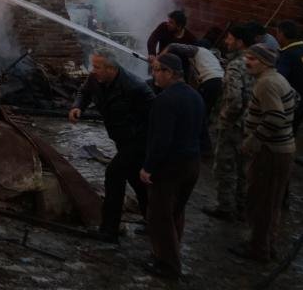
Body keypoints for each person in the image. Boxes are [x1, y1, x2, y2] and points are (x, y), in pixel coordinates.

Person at [69, 46, 156, 241]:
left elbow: (155, 118)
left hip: (137, 141)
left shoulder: (135, 87)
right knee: (136, 179)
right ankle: (153, 221)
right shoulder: (95, 79)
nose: (93, 70)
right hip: (120, 138)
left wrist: (149, 147)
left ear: (111, 69)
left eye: (97, 67)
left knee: (114, 174)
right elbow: (84, 92)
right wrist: (77, 107)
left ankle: (109, 229)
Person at [138, 53, 205, 279]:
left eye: (157, 69)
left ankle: (168, 265)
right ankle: (166, 253)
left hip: (170, 167)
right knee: (176, 211)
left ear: (169, 73)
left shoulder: (164, 100)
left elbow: (161, 139)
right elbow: (203, 133)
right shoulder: (196, 96)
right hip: (192, 164)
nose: (153, 73)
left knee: (159, 215)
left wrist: (148, 167)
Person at [232, 43, 298, 262]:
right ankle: (265, 243)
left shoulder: (267, 83)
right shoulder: (277, 79)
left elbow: (275, 118)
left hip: (271, 153)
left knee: (261, 202)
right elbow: (295, 100)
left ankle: (259, 249)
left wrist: (253, 140)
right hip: (280, 150)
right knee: (270, 202)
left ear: (266, 62)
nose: (247, 62)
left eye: (252, 59)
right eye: (247, 57)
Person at [203, 23, 256, 221]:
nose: (226, 41)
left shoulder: (236, 65)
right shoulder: (257, 61)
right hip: (251, 124)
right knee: (244, 168)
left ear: (240, 42)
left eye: (230, 38)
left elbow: (234, 99)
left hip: (233, 126)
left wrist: (224, 119)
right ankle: (242, 205)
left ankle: (225, 207)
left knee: (225, 167)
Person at [163, 42, 224, 156]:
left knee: (198, 115)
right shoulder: (210, 59)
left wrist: (160, 58)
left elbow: (173, 46)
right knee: (207, 116)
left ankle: (203, 147)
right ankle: (207, 146)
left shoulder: (198, 49)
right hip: (222, 83)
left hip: (211, 83)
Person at [272, 20, 303, 134]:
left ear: (282, 34)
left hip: (292, 101)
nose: (276, 36)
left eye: (277, 33)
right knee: (293, 130)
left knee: (282, 133)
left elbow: (279, 78)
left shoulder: (288, 54)